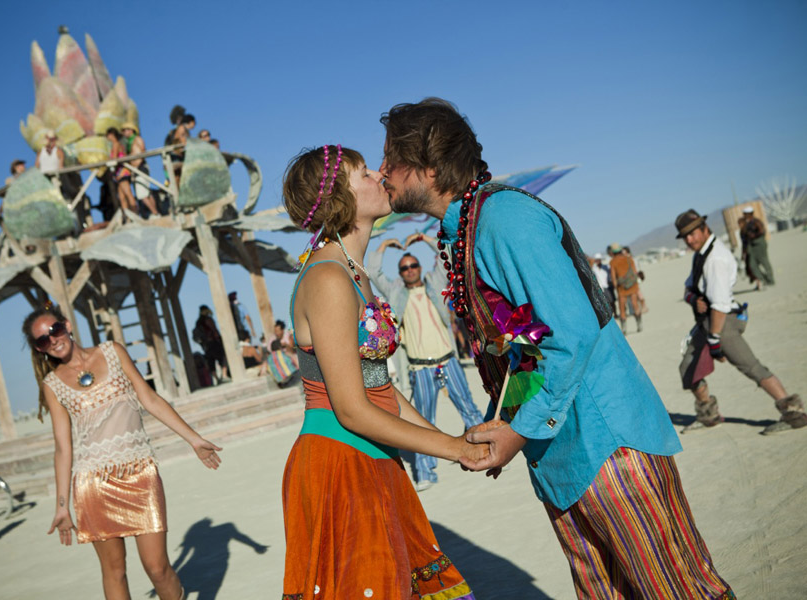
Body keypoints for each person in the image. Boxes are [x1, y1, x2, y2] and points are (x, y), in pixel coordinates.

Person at [379, 98, 733, 599]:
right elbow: (528, 350)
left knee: (676, 590)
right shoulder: (465, 229)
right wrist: (506, 422)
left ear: (429, 167)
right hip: (562, 454)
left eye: (391, 158)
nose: (381, 171)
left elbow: (571, 336)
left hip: (606, 447)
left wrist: (518, 430)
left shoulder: (504, 219)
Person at [280, 144, 480, 599]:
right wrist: (450, 448)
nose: (380, 174)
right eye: (364, 173)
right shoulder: (328, 279)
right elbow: (351, 409)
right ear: (339, 199)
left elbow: (380, 387)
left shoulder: (356, 275)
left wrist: (455, 443)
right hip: (340, 462)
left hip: (373, 457)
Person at [22, 303, 222, 600]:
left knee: (157, 568)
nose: (53, 339)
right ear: (39, 349)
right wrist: (62, 506)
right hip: (93, 485)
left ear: (67, 325)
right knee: (114, 572)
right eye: (43, 339)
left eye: (55, 330)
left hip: (139, 472)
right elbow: (63, 449)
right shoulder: (52, 384)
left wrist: (193, 439)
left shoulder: (112, 351)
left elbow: (149, 399)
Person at [367, 233, 484, 491]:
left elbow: (448, 259)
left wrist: (424, 238)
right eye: (404, 268)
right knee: (422, 421)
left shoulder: (433, 283)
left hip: (448, 360)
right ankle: (425, 472)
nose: (409, 270)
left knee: (469, 409)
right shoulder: (396, 292)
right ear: (400, 272)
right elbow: (373, 271)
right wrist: (386, 244)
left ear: (419, 267)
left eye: (413, 265)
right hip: (419, 367)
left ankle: (484, 453)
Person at [675, 209, 805, 435]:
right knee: (688, 369)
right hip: (708, 323)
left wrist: (715, 340)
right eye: (685, 236)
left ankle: (793, 413)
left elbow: (719, 305)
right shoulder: (701, 253)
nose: (689, 239)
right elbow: (688, 288)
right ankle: (709, 415)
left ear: (705, 229)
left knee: (751, 366)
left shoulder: (715, 258)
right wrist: (694, 299)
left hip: (722, 323)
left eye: (693, 233)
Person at [122, 122, 160, 217]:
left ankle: (155, 213)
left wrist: (136, 163)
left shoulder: (137, 139)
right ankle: (156, 213)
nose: (124, 132)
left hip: (141, 168)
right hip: (136, 169)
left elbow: (142, 151)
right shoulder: (129, 143)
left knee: (142, 194)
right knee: (145, 193)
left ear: (131, 130)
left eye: (125, 130)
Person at [608, 242, 642, 333]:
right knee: (635, 304)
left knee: (622, 307)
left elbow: (613, 277)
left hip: (621, 287)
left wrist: (616, 288)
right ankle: (639, 325)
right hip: (632, 285)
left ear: (613, 252)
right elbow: (635, 273)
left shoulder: (612, 262)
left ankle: (624, 329)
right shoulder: (629, 259)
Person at [193, 305, 229, 383]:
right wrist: (219, 338)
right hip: (214, 342)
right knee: (222, 357)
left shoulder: (198, 322)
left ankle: (217, 379)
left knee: (211, 362)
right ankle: (224, 375)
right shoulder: (208, 319)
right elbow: (214, 330)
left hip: (206, 345)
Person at [741, 205, 774, 289]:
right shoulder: (746, 224)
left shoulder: (756, 222)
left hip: (758, 244)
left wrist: (753, 236)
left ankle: (770, 279)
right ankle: (763, 279)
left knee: (764, 261)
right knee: (752, 265)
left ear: (750, 214)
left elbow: (762, 231)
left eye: (745, 214)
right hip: (751, 246)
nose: (744, 215)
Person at [106, 127, 136, 217]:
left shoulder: (115, 144)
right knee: (122, 197)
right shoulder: (119, 144)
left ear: (111, 135)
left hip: (121, 172)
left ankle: (135, 214)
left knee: (128, 194)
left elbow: (114, 159)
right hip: (120, 172)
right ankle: (128, 217)